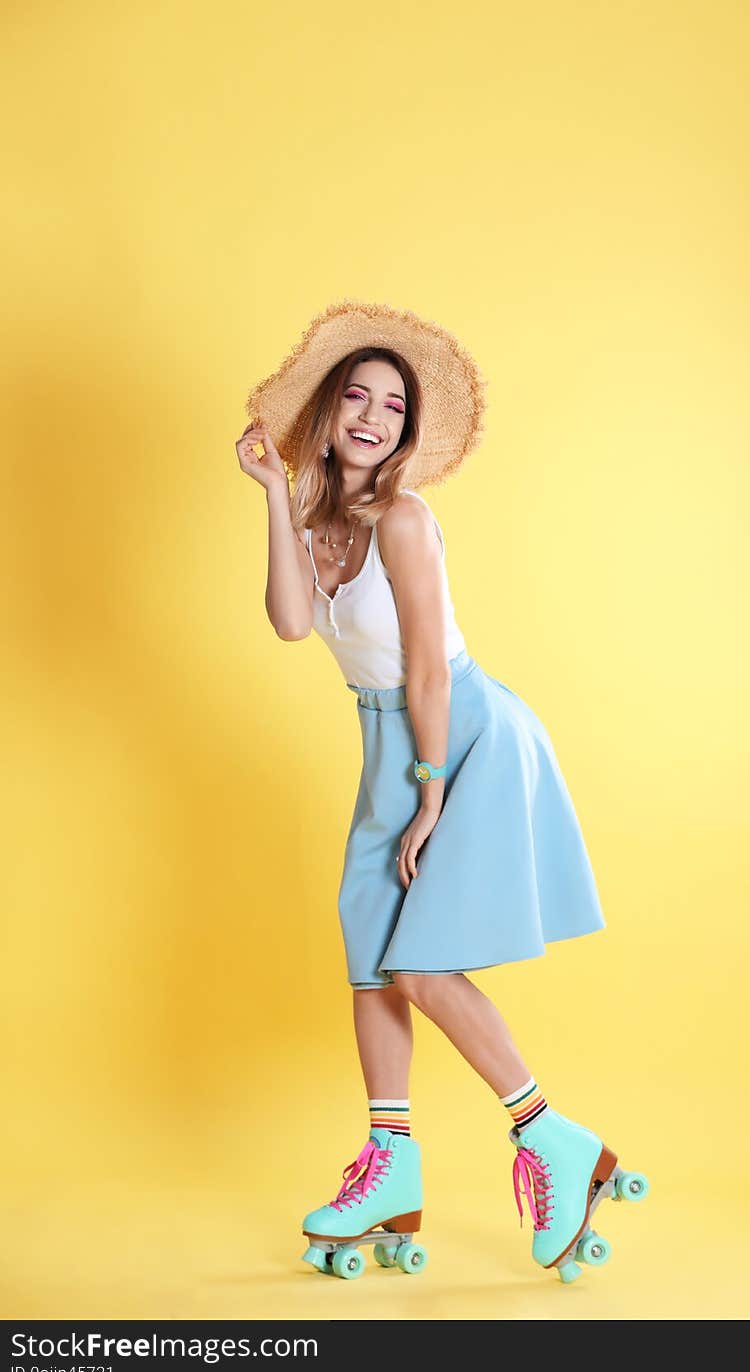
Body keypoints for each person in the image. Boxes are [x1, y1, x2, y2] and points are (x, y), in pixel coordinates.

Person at [237, 300, 648, 1283]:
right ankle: (390, 1166)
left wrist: (428, 792)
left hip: (460, 734)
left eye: (393, 404)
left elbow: (426, 667)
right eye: (357, 396)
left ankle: (554, 1139)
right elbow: (293, 625)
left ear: (408, 431)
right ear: (331, 413)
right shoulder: (309, 512)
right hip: (387, 744)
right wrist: (264, 488)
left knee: (420, 964)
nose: (373, 415)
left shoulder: (407, 519)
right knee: (371, 957)